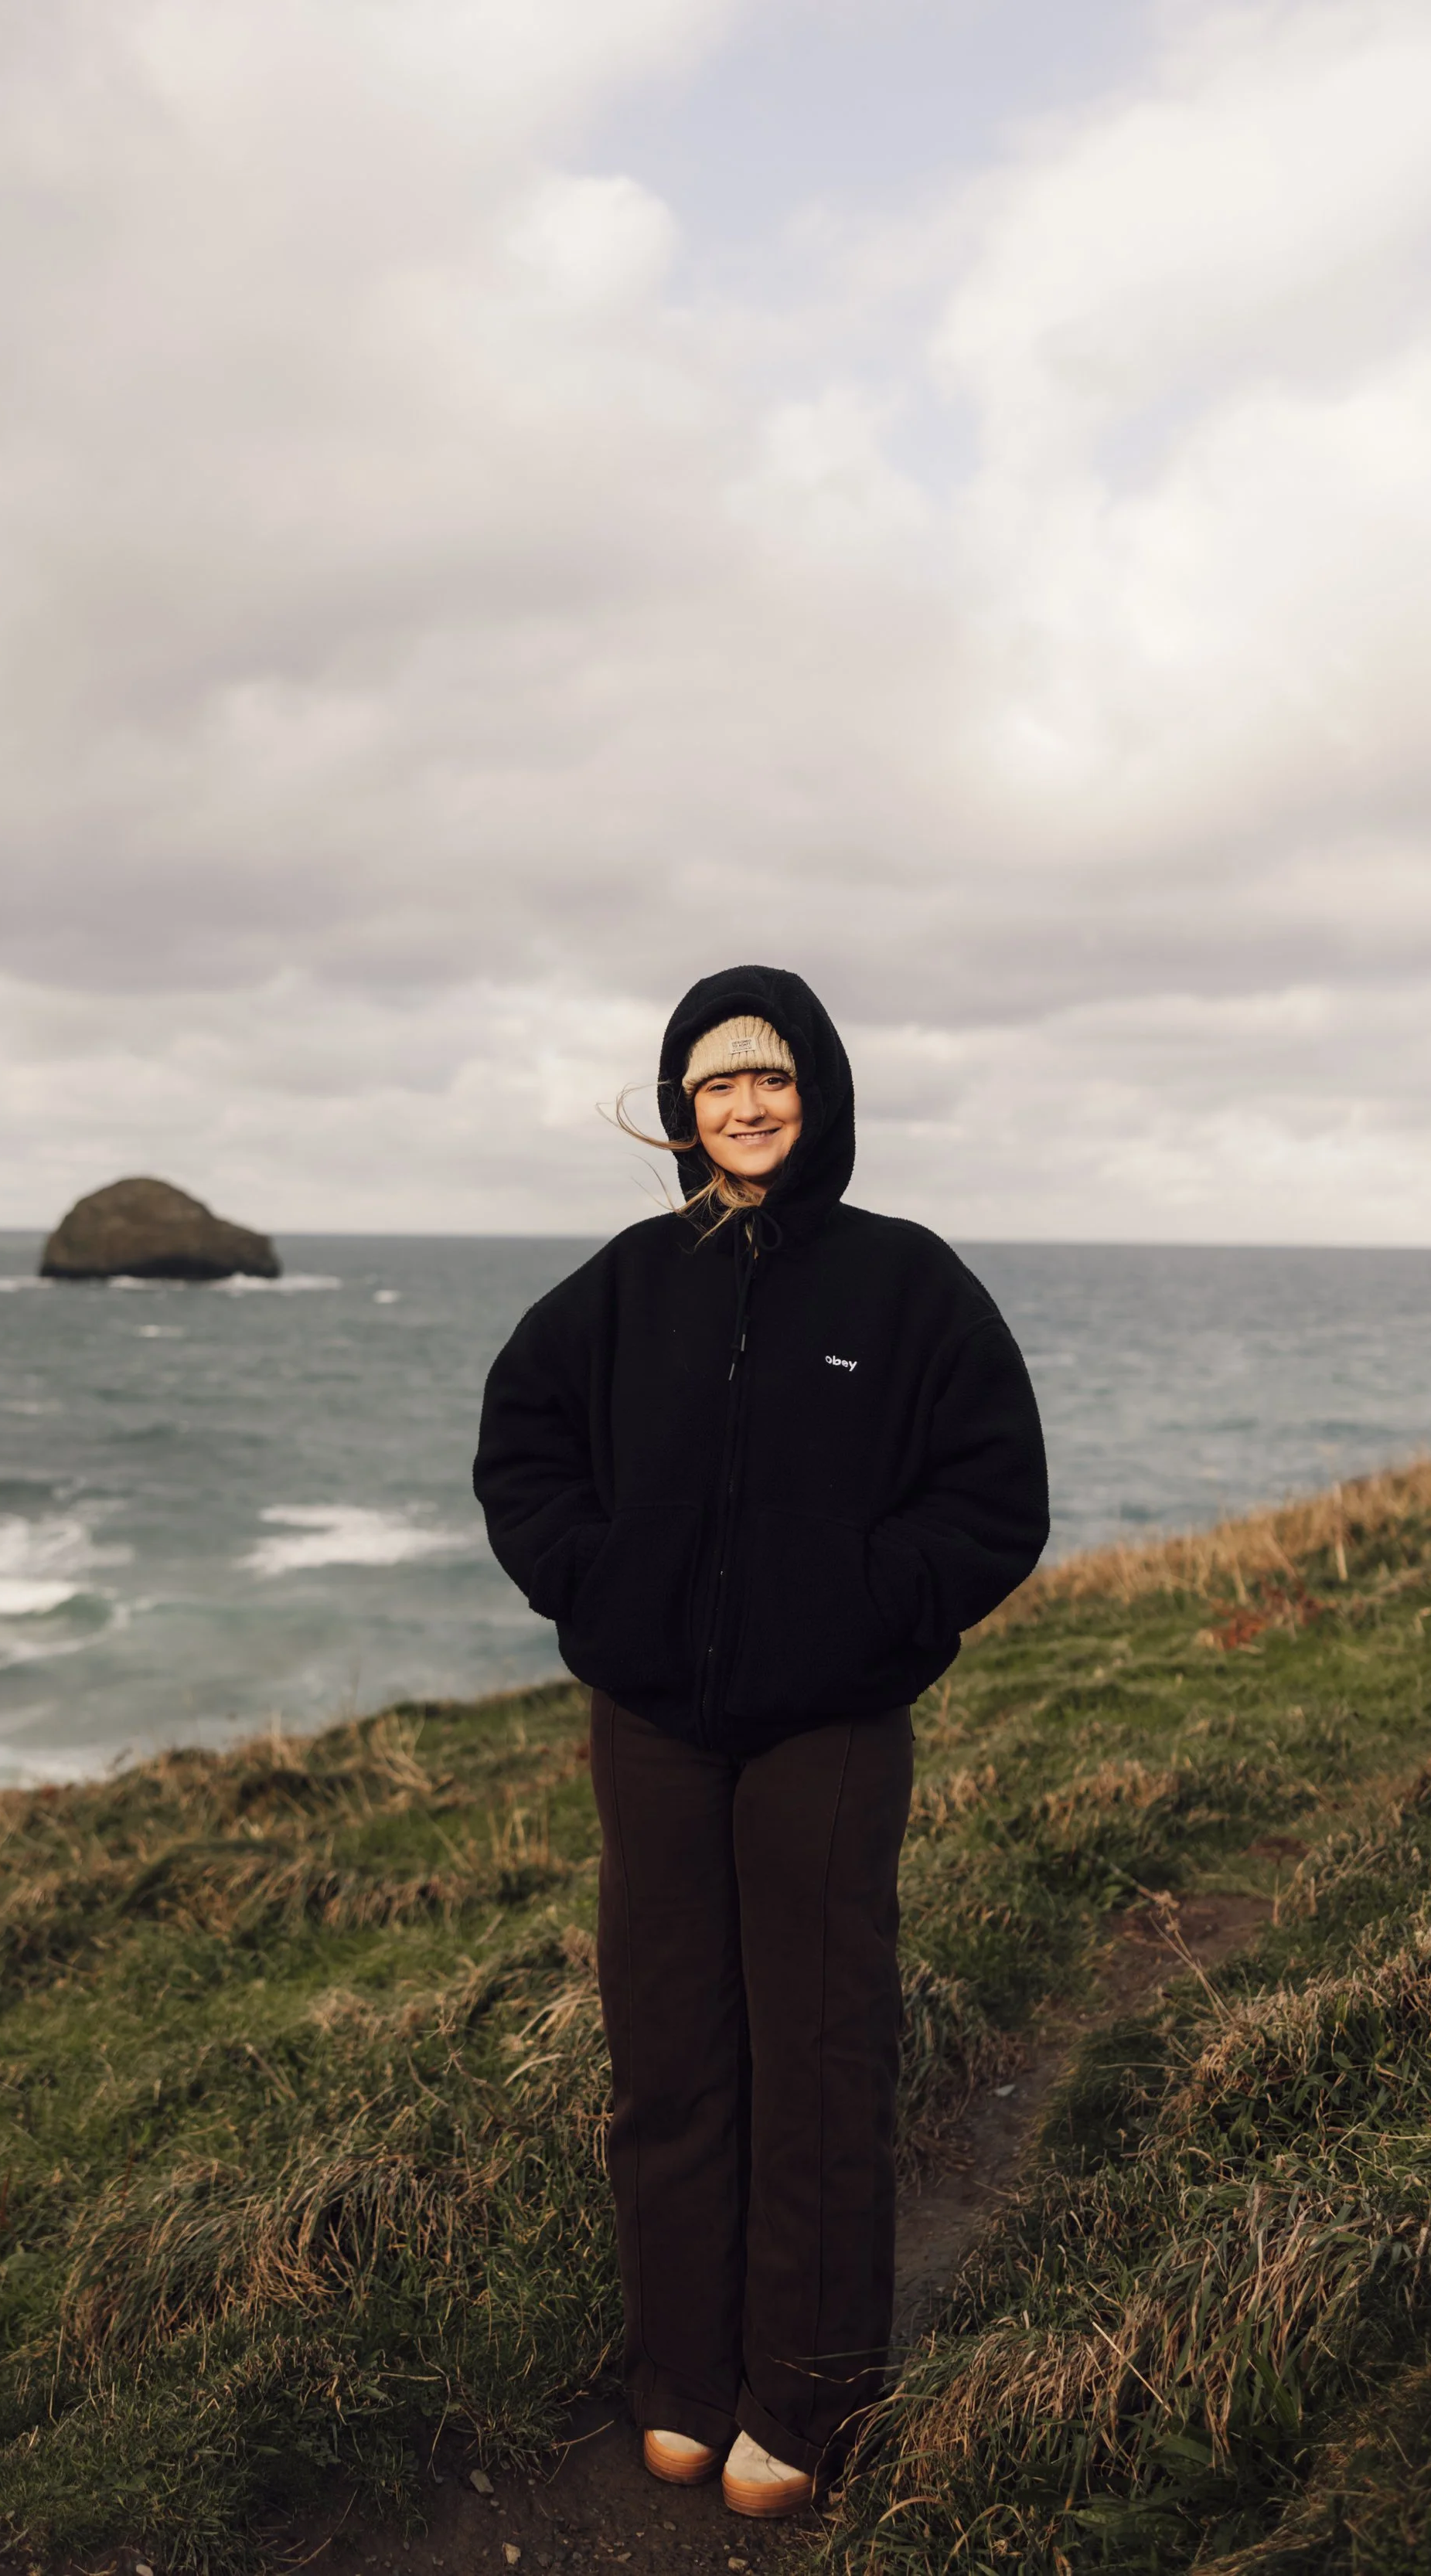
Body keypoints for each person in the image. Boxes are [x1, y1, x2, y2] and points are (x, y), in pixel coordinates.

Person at [472, 964, 1049, 2518]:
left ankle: (804, 2396)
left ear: (820, 1094)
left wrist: (867, 1613)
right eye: (717, 1081)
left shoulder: (905, 1284)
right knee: (667, 2052)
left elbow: (994, 1495)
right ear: (682, 1109)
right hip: (654, 1721)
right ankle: (681, 2377)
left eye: (772, 1076)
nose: (746, 1104)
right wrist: (597, 1585)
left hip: (827, 1728)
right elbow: (521, 1444)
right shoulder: (622, 1286)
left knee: (817, 2055)